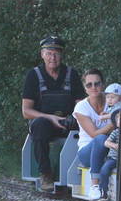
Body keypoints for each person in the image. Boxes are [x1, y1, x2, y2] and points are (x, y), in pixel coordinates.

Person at [21, 35, 85, 192]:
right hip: (44, 122)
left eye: (56, 53)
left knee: (86, 123)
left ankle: (85, 172)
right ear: (42, 54)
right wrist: (50, 117)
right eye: (49, 53)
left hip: (67, 121)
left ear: (61, 55)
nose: (53, 57)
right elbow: (26, 111)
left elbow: (81, 104)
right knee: (39, 126)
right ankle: (45, 174)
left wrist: (74, 117)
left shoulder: (72, 74)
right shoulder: (33, 75)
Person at [73, 71, 117, 195]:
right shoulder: (81, 107)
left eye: (97, 84)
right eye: (89, 85)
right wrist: (113, 123)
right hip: (87, 152)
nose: (93, 87)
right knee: (100, 138)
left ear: (103, 84)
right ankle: (94, 186)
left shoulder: (112, 100)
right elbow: (94, 134)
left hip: (110, 149)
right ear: (85, 87)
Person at [83, 82, 121, 200]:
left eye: (113, 97)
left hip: (120, 157)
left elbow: (114, 114)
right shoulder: (115, 129)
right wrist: (114, 145)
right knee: (105, 169)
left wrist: (103, 117)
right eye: (108, 97)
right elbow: (105, 140)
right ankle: (100, 190)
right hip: (109, 155)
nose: (109, 100)